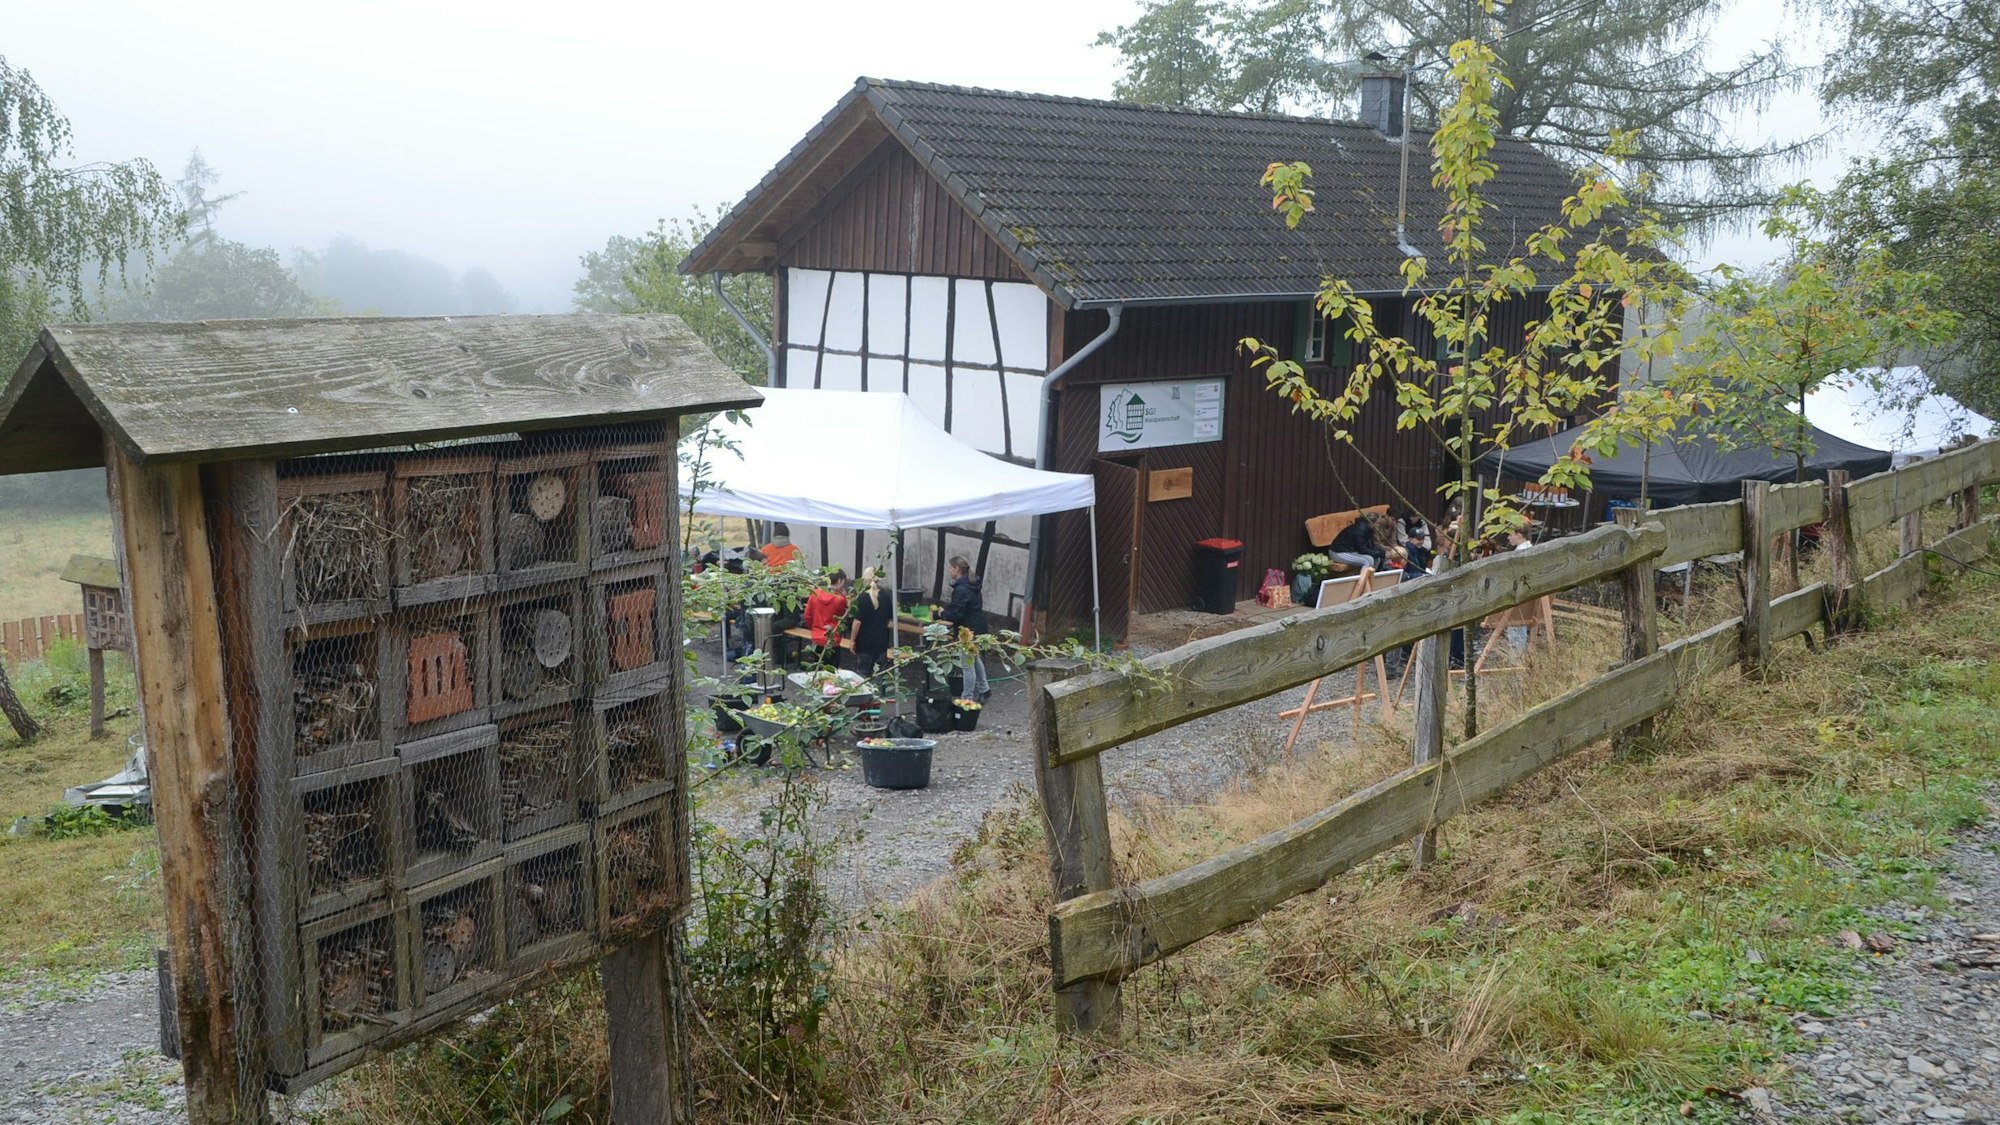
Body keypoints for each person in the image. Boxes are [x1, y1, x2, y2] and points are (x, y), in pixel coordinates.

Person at [939, 555, 990, 700]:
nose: (949, 571)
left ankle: (966, 698)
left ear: (957, 569)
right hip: (978, 626)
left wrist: (941, 614)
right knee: (975, 659)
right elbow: (961, 608)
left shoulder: (962, 589)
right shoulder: (971, 584)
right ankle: (984, 689)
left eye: (950, 568)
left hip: (968, 631)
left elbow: (957, 613)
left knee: (967, 665)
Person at [848, 567, 894, 680]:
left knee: (863, 675)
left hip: (864, 644)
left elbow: (857, 622)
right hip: (881, 643)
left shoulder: (862, 597)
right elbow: (889, 620)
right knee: (879, 675)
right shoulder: (886, 595)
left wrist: (852, 640)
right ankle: (878, 696)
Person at [801, 570, 849, 668]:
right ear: (839, 580)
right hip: (832, 638)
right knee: (832, 670)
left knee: (818, 667)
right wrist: (845, 597)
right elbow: (842, 618)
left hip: (817, 636)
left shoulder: (815, 594)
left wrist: (814, 628)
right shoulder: (839, 599)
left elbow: (807, 616)